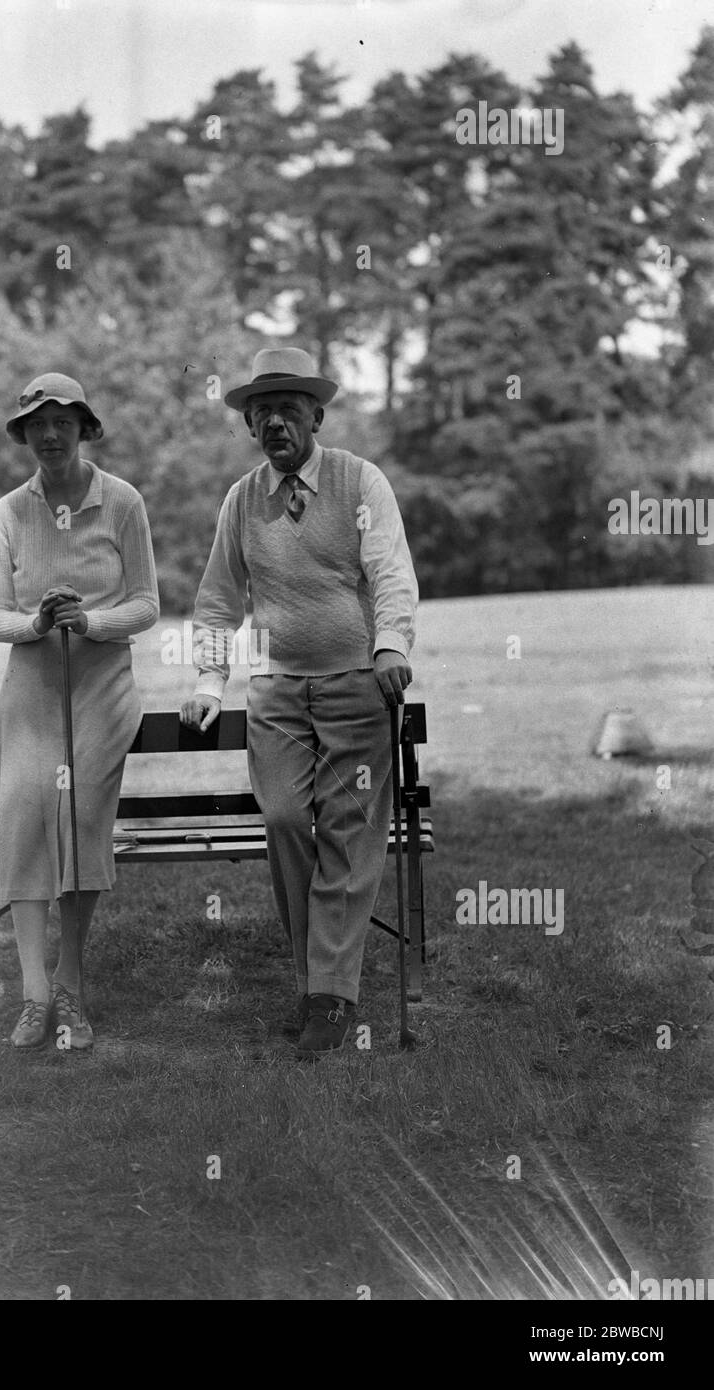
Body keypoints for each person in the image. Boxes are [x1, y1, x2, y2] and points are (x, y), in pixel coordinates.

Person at [180, 347, 418, 1059]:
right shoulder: (242, 499)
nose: (274, 421)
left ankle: (328, 999)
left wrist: (391, 645)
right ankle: (318, 979)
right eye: (261, 411)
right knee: (284, 818)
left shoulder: (359, 482)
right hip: (278, 692)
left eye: (289, 407)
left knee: (348, 836)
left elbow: (390, 570)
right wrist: (205, 685)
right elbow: (219, 602)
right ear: (250, 423)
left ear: (316, 413)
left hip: (355, 686)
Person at [0, 372, 159, 1050]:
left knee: (82, 817)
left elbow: (146, 604)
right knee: (26, 817)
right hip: (31, 685)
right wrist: (35, 622)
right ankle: (33, 996)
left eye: (63, 421)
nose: (50, 434)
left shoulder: (122, 502)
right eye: (37, 423)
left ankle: (71, 985)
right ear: (24, 433)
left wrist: (90, 621)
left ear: (85, 428)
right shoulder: (10, 512)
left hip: (101, 682)